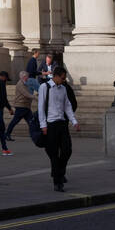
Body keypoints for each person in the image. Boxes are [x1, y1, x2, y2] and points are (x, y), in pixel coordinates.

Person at [38, 63, 78, 192]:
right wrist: (43, 125)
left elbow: (68, 106)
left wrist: (74, 121)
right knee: (53, 153)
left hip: (62, 123)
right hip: (50, 125)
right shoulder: (45, 87)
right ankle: (58, 182)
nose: (63, 80)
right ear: (55, 76)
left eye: (64, 78)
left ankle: (59, 172)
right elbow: (40, 107)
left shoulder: (63, 89)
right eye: (62, 78)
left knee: (67, 150)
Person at [5, 73, 36, 142]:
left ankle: (34, 135)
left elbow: (27, 93)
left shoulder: (24, 83)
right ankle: (7, 134)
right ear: (23, 77)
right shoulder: (20, 84)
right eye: (27, 77)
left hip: (25, 106)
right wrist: (34, 97)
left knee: (31, 121)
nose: (28, 78)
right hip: (21, 106)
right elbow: (25, 94)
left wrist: (34, 95)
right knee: (16, 121)